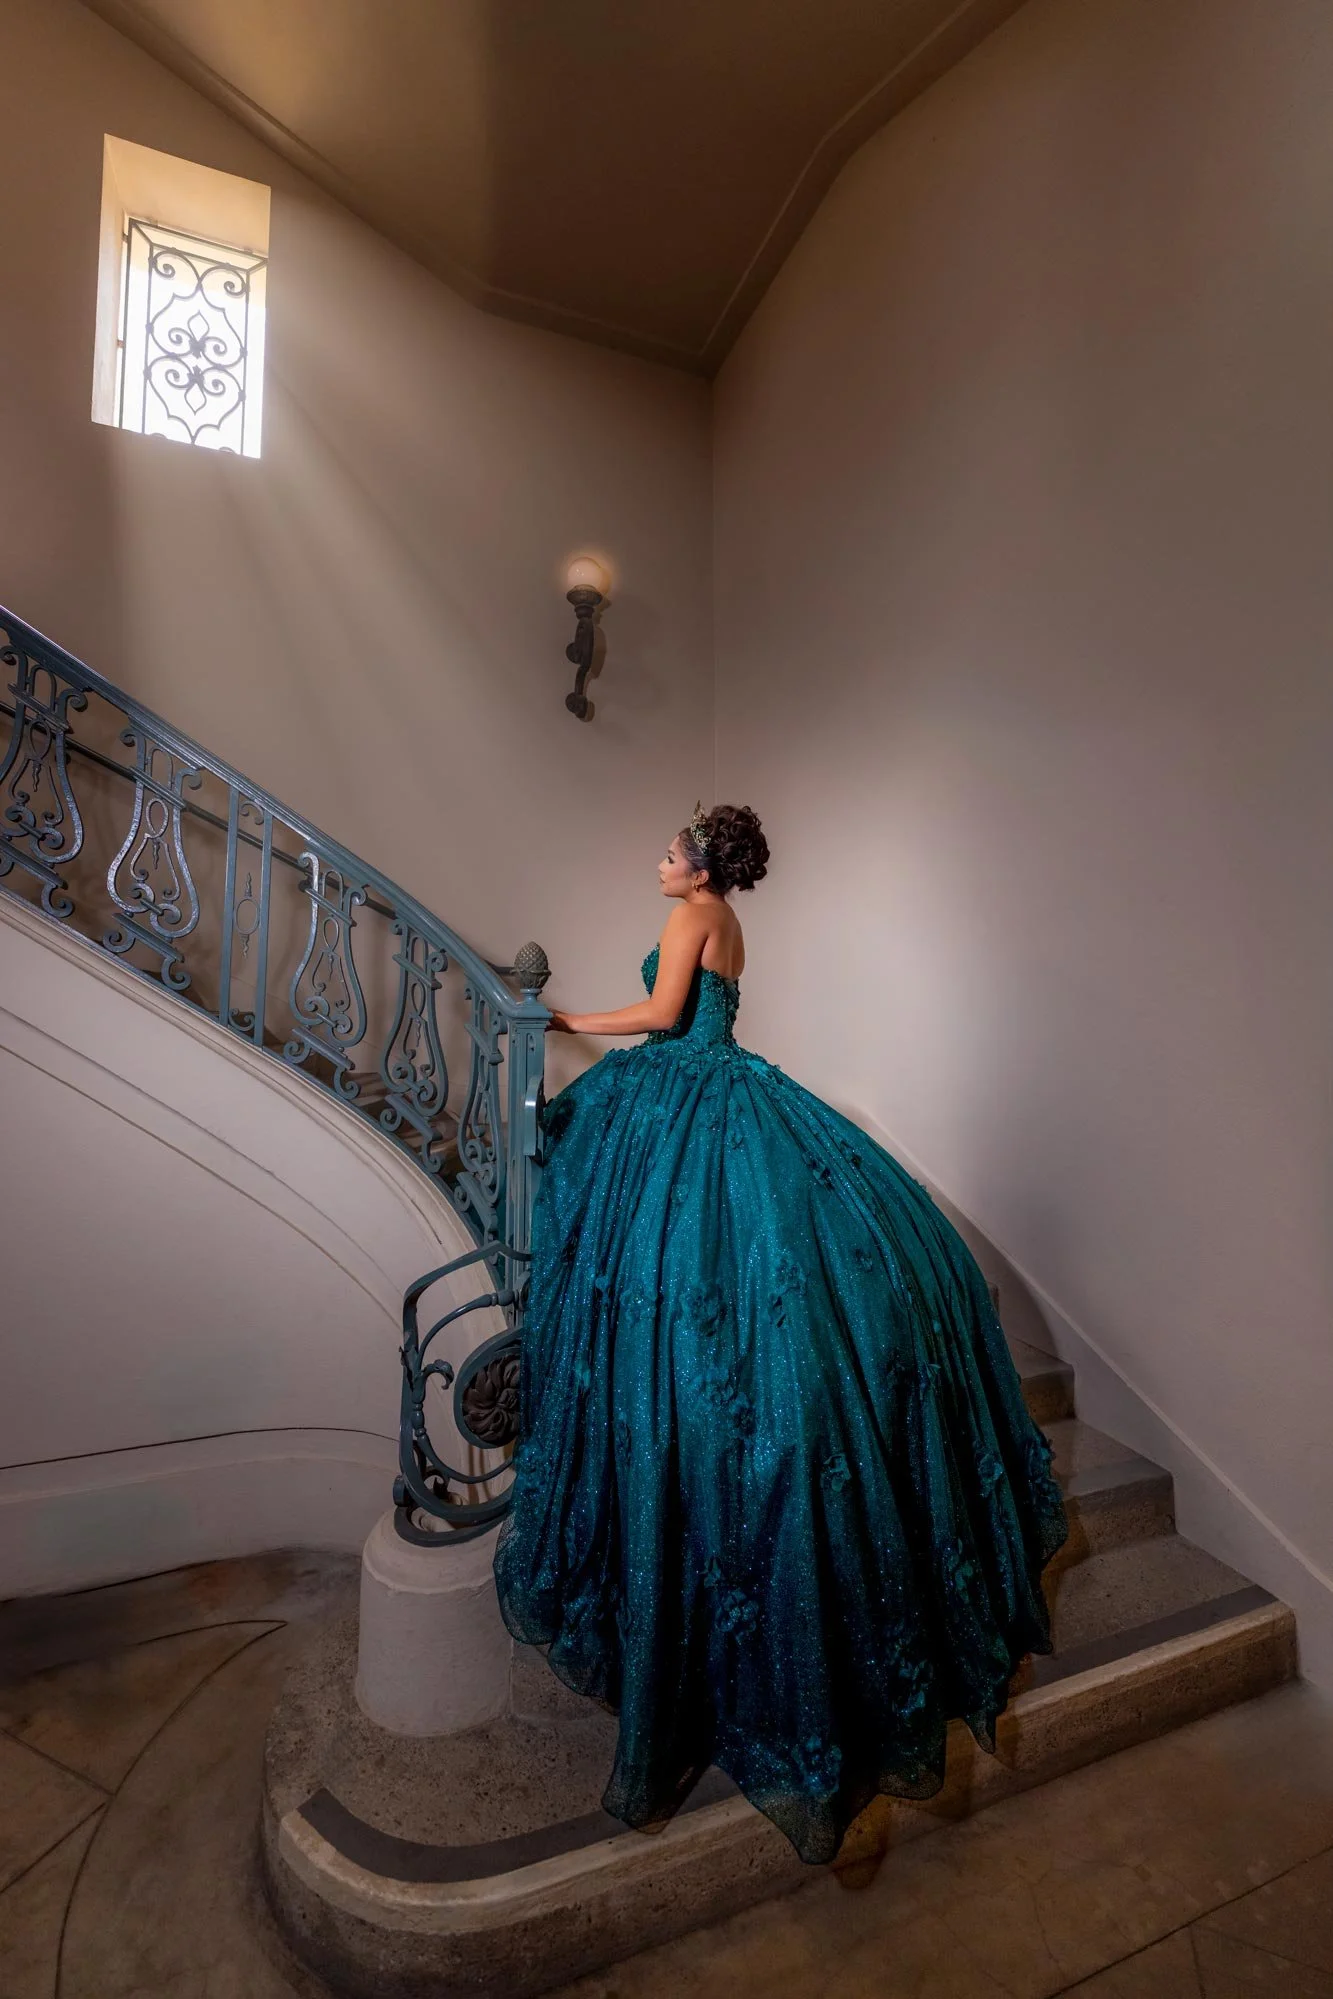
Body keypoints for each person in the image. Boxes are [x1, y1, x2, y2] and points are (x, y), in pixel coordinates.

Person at [493, 803, 1068, 1866]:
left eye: (669, 848)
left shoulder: (690, 915)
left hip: (689, 1095)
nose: (658, 859)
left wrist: (567, 1026)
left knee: (683, 1284)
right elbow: (699, 1012)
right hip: (726, 1086)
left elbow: (667, 1015)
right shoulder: (726, 919)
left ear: (701, 863)